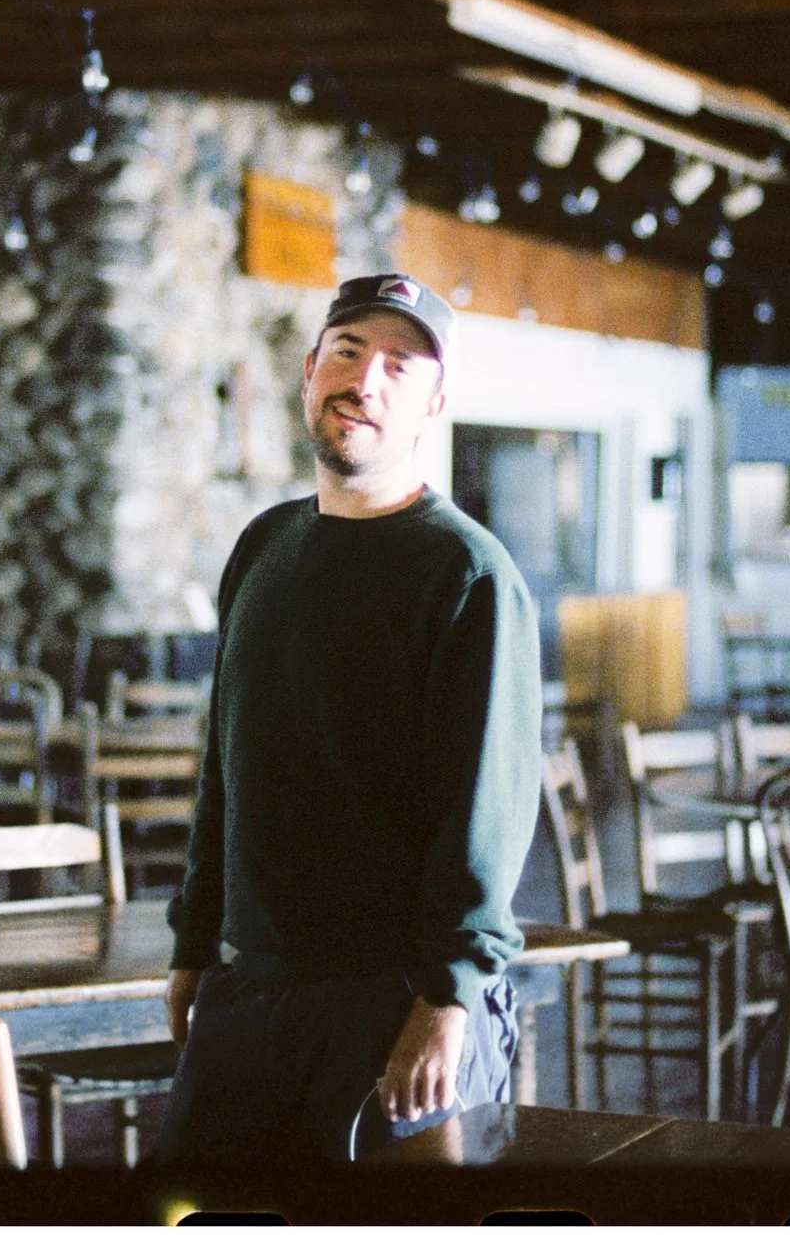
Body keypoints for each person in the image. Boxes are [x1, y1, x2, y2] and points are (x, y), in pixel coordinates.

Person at [154, 273, 543, 1163]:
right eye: (348, 351)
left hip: (397, 1001)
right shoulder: (263, 546)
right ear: (308, 372)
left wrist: (447, 1002)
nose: (365, 381)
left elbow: (484, 815)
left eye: (400, 367)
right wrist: (193, 943)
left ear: (433, 404)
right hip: (249, 987)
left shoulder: (469, 576)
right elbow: (227, 769)